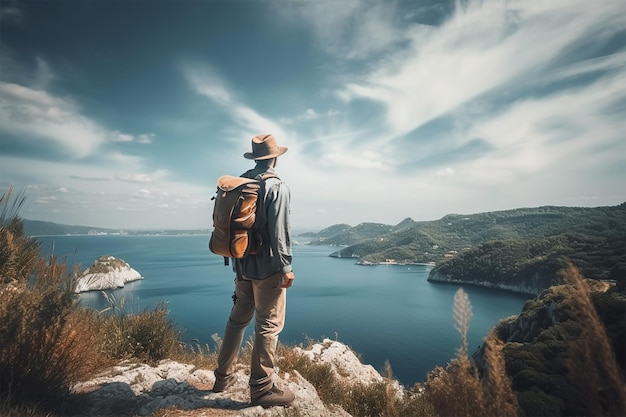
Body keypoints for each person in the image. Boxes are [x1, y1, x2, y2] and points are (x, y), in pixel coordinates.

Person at [212, 134, 296, 408]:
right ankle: (261, 389)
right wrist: (286, 266)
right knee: (268, 326)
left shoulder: (241, 182)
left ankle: (222, 377)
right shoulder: (276, 187)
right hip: (268, 268)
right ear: (275, 158)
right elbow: (279, 231)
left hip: (242, 264)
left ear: (255, 157)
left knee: (237, 321)